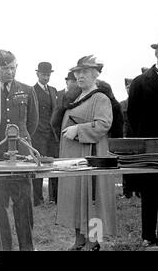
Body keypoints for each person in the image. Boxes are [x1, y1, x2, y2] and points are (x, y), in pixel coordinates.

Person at [0, 50, 39, 251]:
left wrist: (21, 141)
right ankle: (4, 248)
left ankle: (26, 248)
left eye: (13, 67)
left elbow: (32, 123)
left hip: (21, 152)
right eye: (5, 68)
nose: (9, 71)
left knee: (23, 204)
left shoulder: (28, 91)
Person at [56, 55, 117, 251]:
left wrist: (78, 130)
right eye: (78, 72)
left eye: (85, 72)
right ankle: (80, 240)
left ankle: (94, 241)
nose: (80, 76)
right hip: (74, 158)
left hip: (91, 156)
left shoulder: (100, 97)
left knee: (93, 199)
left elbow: (103, 124)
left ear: (95, 74)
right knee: (76, 199)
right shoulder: (75, 97)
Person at [127, 33, 158, 247]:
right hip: (149, 149)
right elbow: (132, 119)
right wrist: (137, 149)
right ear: (156, 53)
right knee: (150, 193)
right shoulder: (140, 82)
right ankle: (148, 236)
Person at [32, 62, 58, 205]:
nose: (46, 77)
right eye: (43, 75)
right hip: (39, 135)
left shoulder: (54, 91)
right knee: (38, 166)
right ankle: (37, 199)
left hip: (52, 135)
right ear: (37, 74)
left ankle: (54, 198)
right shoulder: (33, 91)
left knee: (54, 166)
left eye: (48, 75)